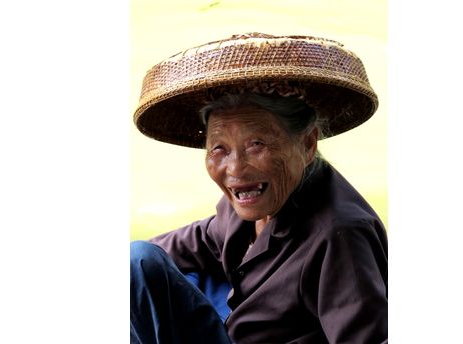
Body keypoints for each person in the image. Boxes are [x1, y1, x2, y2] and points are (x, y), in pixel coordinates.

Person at [130, 33, 388, 344]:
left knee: (140, 262)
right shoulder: (253, 198)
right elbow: (200, 240)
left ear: (307, 144)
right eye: (219, 149)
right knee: (139, 266)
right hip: (232, 324)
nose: (236, 169)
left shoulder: (340, 234)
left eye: (257, 144)